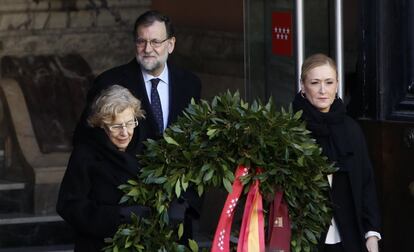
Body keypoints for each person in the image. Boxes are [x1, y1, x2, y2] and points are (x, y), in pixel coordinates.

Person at [74, 10, 202, 154]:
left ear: (170, 44)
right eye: (141, 42)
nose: (147, 49)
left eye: (155, 42)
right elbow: (85, 138)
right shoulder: (108, 82)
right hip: (122, 174)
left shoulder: (190, 83)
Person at [292, 54, 381, 252]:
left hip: (348, 238)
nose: (323, 90)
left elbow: (366, 182)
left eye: (329, 82)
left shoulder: (351, 129)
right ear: (303, 85)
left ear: (337, 84)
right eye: (315, 83)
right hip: (305, 240)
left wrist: (372, 234)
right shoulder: (291, 130)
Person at [57, 85, 150, 251]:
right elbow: (69, 205)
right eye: (116, 126)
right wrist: (118, 216)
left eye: (130, 123)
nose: (125, 132)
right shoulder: (85, 154)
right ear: (101, 125)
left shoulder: (146, 149)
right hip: (99, 246)